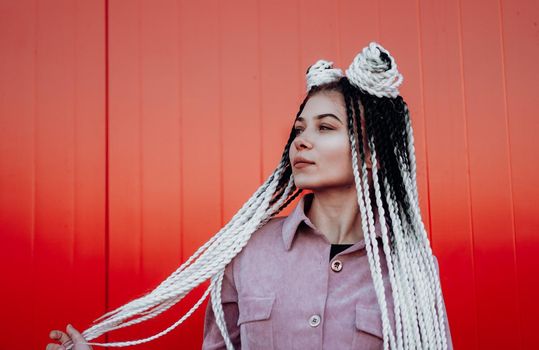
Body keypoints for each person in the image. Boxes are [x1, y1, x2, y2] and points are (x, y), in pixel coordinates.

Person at [47, 42, 453, 350]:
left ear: (371, 154)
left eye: (325, 128)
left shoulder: (410, 269)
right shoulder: (247, 253)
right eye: (299, 128)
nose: (302, 141)